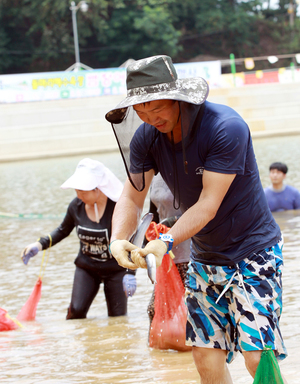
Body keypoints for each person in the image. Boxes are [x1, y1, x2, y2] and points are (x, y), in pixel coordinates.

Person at [105, 55, 288, 383]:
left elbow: (208, 205)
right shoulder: (147, 136)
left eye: (156, 108)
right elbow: (132, 195)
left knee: (257, 354)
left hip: (253, 251)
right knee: (205, 354)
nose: (149, 118)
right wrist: (118, 238)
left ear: (177, 98)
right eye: (141, 112)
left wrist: (166, 241)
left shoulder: (224, 127)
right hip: (206, 256)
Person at [20, 158, 136, 320]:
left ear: (97, 189)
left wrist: (131, 273)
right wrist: (39, 245)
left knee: (118, 320)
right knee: (76, 312)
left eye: (82, 191)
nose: (78, 195)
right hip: (87, 268)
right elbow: (62, 231)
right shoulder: (76, 206)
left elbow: (132, 241)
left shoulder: (117, 209)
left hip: (116, 271)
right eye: (76, 191)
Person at [147, 172, 191, 327]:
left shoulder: (189, 172)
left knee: (192, 309)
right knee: (155, 311)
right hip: (166, 254)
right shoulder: (155, 176)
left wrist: (172, 222)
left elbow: (201, 208)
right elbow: (153, 214)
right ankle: (156, 349)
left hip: (190, 252)